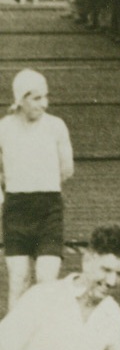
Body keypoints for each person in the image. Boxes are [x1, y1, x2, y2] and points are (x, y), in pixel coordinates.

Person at [0, 70, 74, 311]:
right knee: (18, 281)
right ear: (20, 100)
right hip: (16, 209)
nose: (44, 104)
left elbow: (67, 169)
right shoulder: (4, 128)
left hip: (48, 209)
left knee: (46, 280)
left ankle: (45, 340)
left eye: (45, 97)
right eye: (36, 98)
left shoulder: (56, 126)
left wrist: (42, 181)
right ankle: (10, 343)